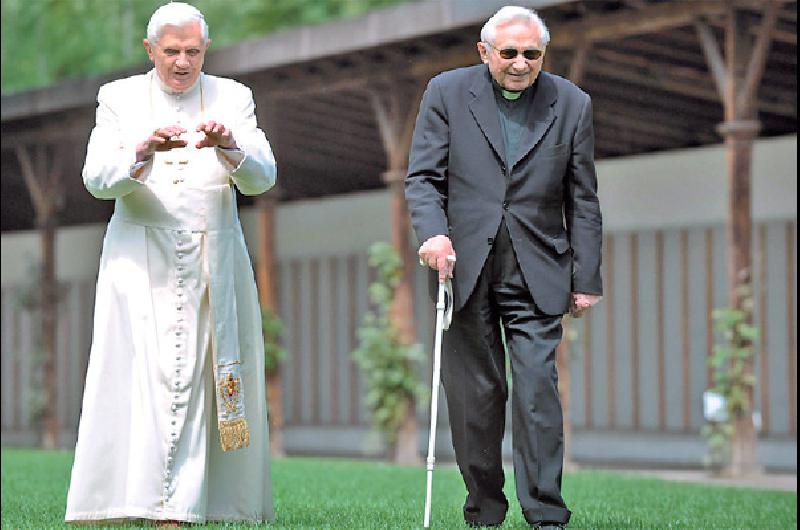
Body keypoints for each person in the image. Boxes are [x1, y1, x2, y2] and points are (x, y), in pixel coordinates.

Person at [65, 2, 275, 525]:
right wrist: (139, 153)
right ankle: (139, 500)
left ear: (206, 50)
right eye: (172, 51)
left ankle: (185, 507)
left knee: (200, 378)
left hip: (214, 259)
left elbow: (264, 176)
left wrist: (230, 147)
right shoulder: (118, 97)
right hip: (140, 261)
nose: (183, 63)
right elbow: (96, 179)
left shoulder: (234, 96)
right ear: (150, 50)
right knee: (145, 380)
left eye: (194, 52)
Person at [406, 6, 602, 529]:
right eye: (509, 52)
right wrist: (433, 233)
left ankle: (546, 514)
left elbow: (582, 198)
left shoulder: (572, 103)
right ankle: (485, 509)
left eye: (531, 54)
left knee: (537, 389)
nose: (520, 63)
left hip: (539, 268)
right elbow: (423, 178)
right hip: (462, 265)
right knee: (475, 397)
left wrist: (587, 279)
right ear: (484, 51)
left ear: (543, 56)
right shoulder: (445, 93)